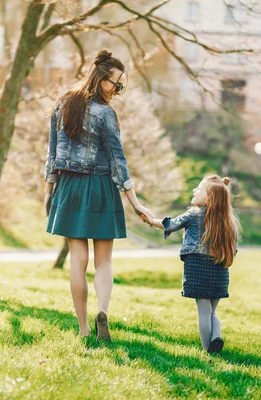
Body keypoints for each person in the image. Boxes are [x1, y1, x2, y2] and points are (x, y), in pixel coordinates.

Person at [44, 50, 154, 341]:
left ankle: (82, 329)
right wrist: (135, 202)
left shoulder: (63, 104)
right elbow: (118, 161)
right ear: (102, 78)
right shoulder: (105, 114)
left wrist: (49, 191)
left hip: (69, 187)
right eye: (115, 83)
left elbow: (52, 154)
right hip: (101, 188)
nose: (118, 89)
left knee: (77, 261)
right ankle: (102, 310)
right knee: (103, 262)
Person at [145, 175, 240, 353]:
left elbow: (171, 225)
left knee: (203, 312)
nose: (194, 191)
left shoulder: (193, 214)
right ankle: (216, 337)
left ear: (209, 197)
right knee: (212, 312)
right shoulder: (228, 221)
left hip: (197, 267)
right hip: (219, 270)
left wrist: (152, 221)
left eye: (199, 189)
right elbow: (233, 250)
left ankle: (207, 350)